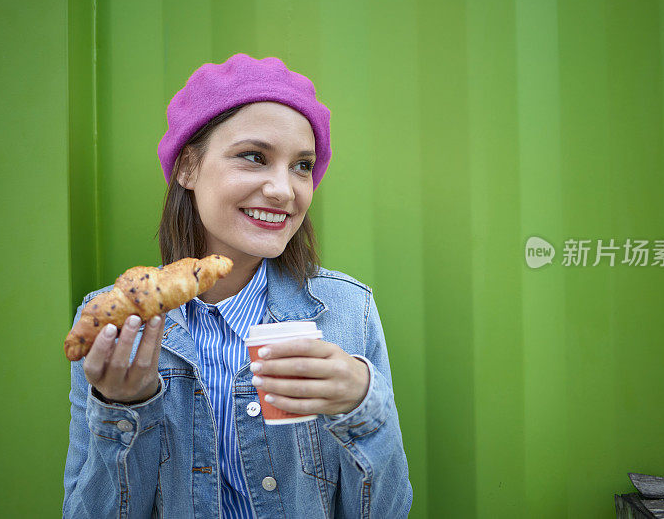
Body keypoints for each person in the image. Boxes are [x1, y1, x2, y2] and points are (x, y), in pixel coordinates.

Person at [62, 53, 413, 518]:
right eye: (254, 157)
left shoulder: (348, 311)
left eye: (302, 166)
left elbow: (386, 512)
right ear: (188, 167)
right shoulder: (116, 322)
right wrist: (124, 408)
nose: (285, 190)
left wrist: (362, 408)